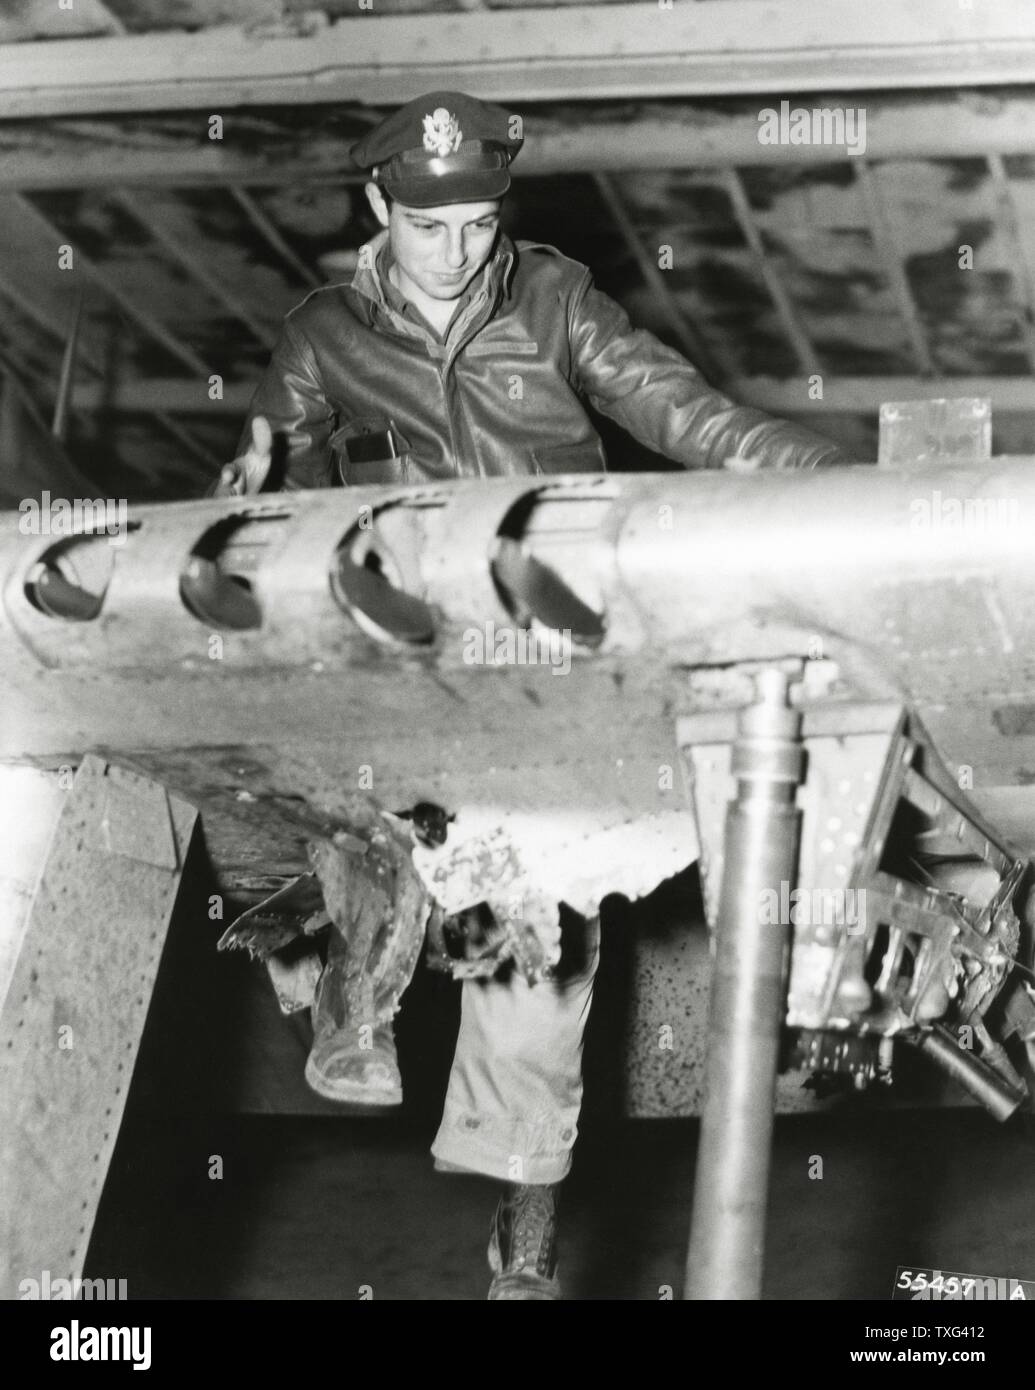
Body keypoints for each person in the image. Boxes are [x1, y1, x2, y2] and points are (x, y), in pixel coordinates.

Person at [213, 90, 847, 1299]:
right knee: (259, 788)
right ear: (376, 207)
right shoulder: (322, 335)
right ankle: (345, 982)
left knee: (532, 955)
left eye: (479, 225)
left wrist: (838, 481)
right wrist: (244, 483)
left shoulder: (554, 301)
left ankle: (525, 1256)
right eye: (427, 227)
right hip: (401, 664)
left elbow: (686, 413)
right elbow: (268, 482)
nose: (458, 256)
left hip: (550, 672)